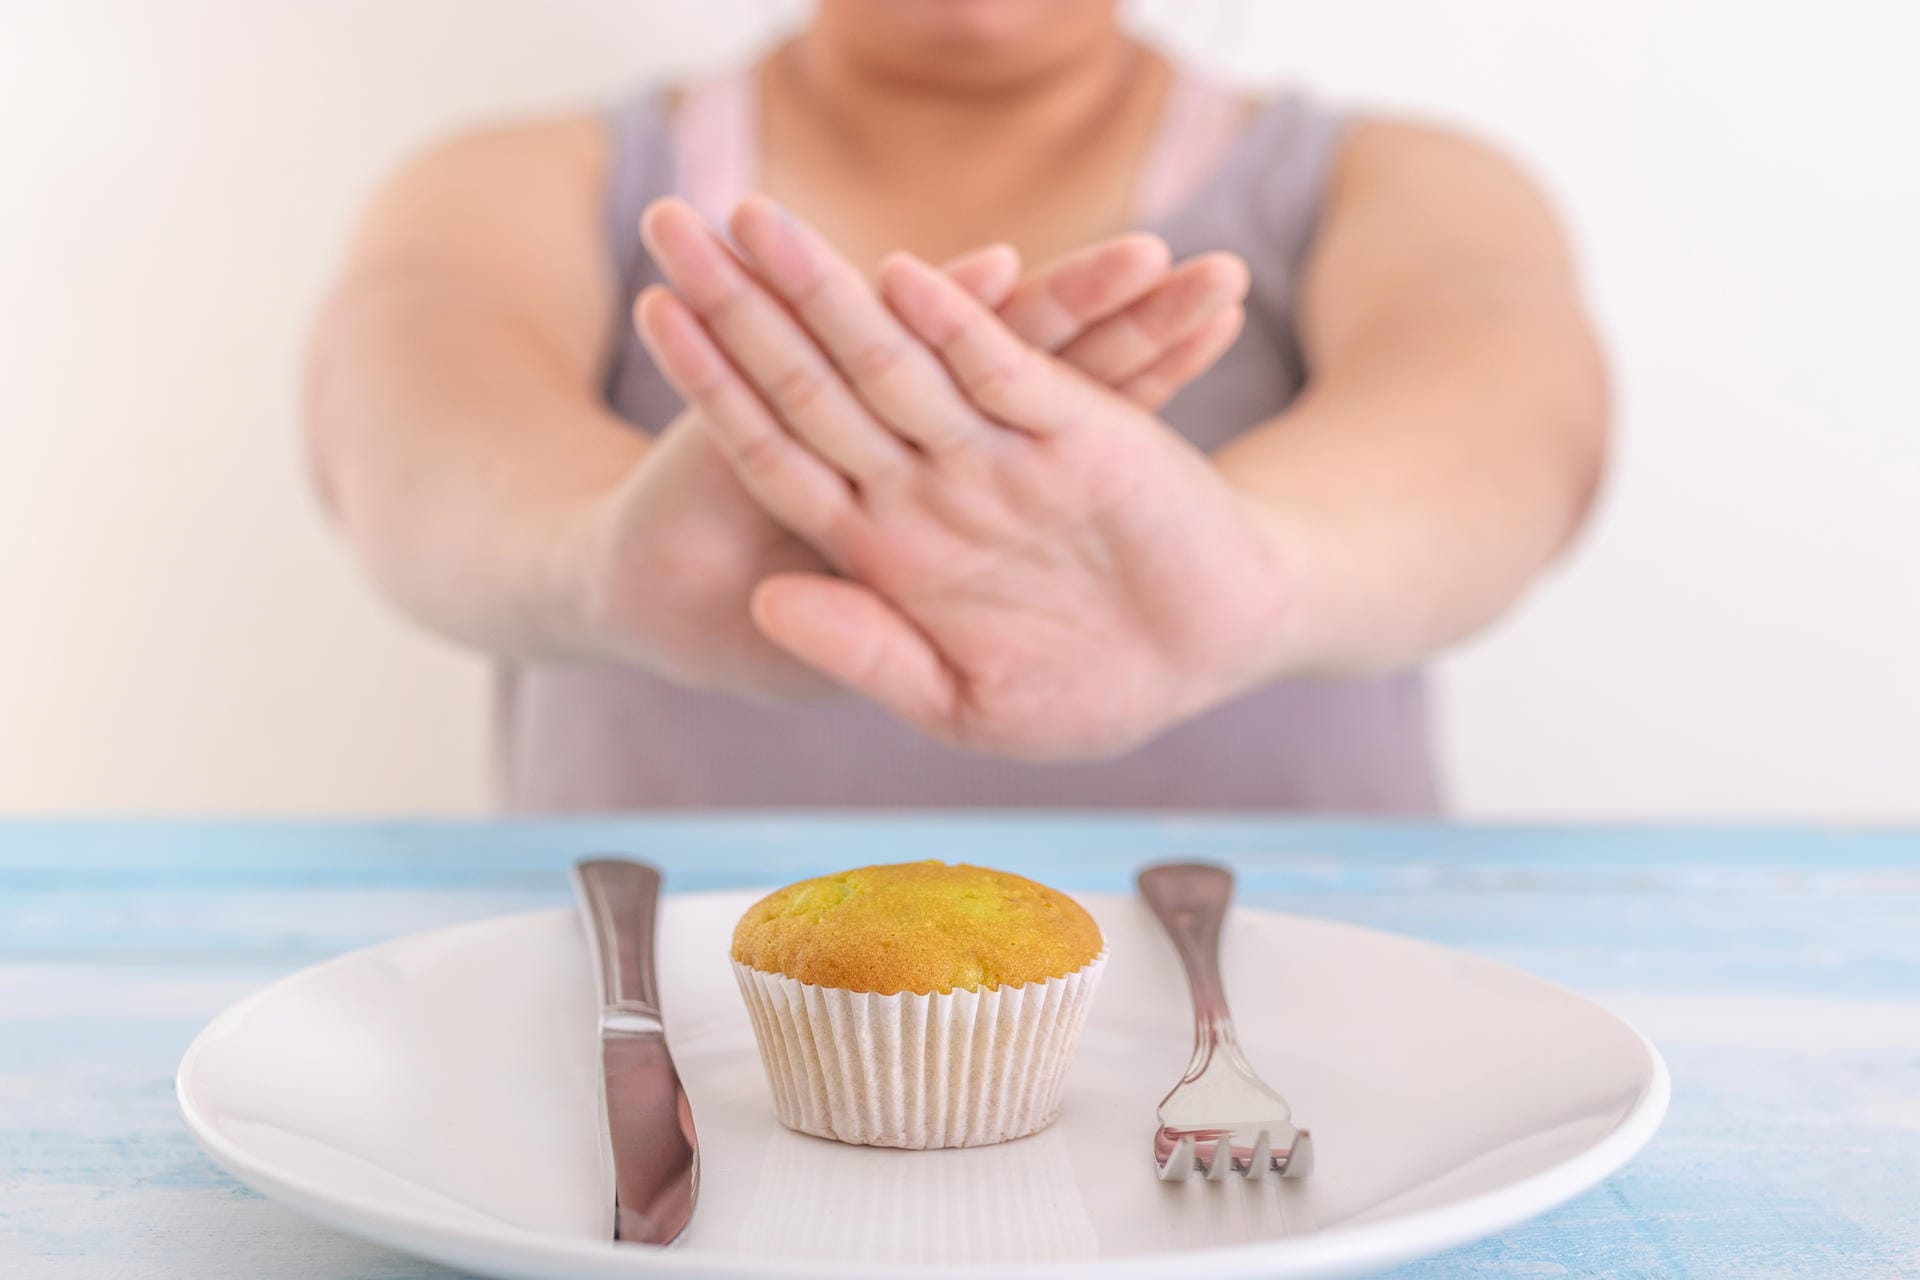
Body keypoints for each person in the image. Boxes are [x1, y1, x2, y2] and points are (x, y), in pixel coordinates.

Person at [305, 0, 1607, 810]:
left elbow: (1512, 437)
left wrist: (1252, 577)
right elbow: (404, 441)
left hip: (1281, 1079)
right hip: (659, 1077)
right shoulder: (527, 179)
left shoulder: (1402, 181)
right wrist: (610, 563)